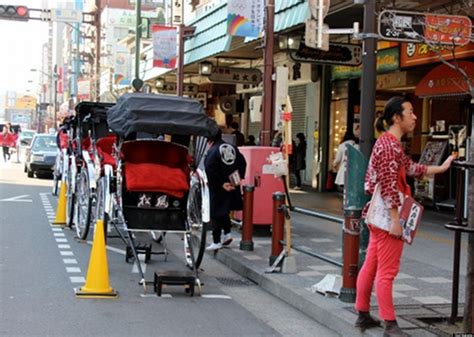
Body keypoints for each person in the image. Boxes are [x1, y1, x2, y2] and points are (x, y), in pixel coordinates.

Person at [354, 96, 455, 336]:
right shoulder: (390, 146)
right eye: (410, 112)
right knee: (387, 272)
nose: (415, 116)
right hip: (389, 217)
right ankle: (390, 324)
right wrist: (396, 220)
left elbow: (410, 168)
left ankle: (363, 313)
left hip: (377, 217)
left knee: (371, 265)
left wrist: (440, 168)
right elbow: (389, 185)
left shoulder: (387, 143)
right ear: (396, 118)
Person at [204, 129, 247, 251]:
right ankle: (227, 234)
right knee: (225, 210)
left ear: (210, 140)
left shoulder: (213, 150)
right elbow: (242, 163)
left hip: (219, 187)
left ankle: (216, 240)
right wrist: (236, 181)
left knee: (216, 213)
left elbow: (210, 169)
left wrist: (221, 184)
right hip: (233, 185)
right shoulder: (232, 147)